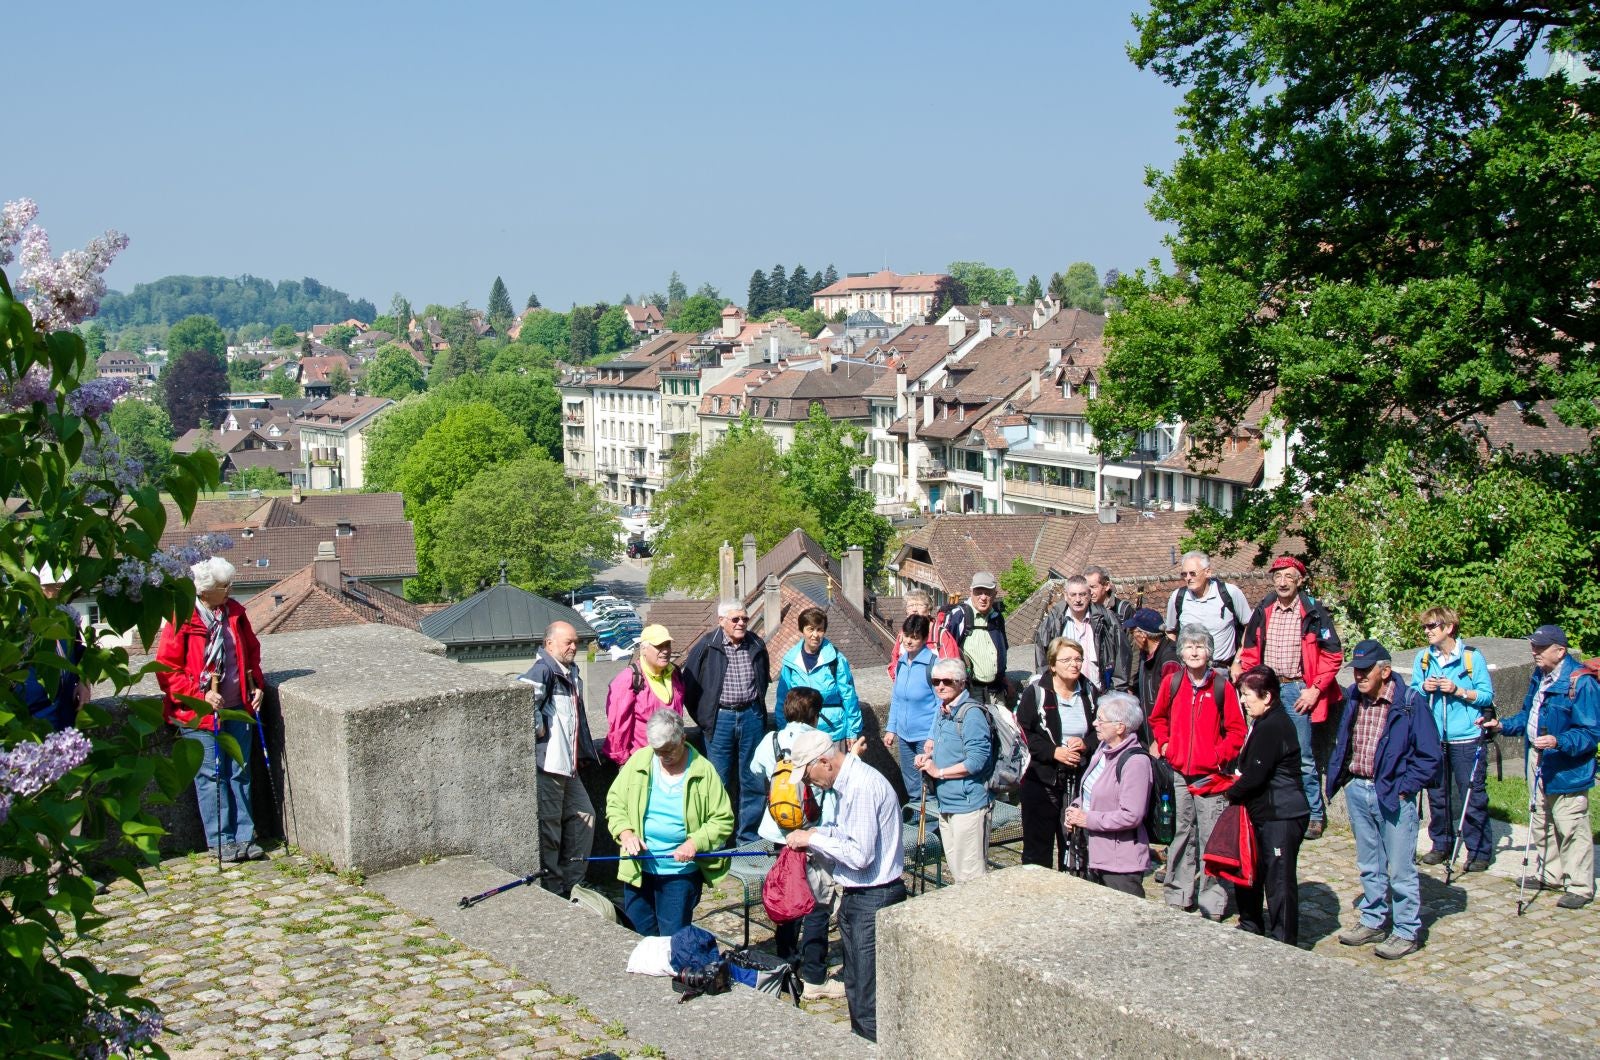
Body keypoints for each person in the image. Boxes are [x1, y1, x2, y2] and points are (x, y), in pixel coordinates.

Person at [785, 729, 906, 1042]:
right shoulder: (845, 784)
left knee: (868, 998)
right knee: (855, 986)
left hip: (874, 897)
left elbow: (860, 855)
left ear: (824, 762)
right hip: (858, 895)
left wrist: (812, 838)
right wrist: (815, 840)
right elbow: (843, 836)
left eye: (808, 775)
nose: (807, 783)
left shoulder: (861, 786)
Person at [1326, 640, 1441, 959]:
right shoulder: (1354, 698)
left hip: (1392, 792)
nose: (1359, 676)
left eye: (1365, 671)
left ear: (1385, 670)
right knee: (1369, 863)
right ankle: (1373, 919)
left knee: (1400, 868)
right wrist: (1345, 780)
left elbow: (1430, 756)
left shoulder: (1410, 703)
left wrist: (1406, 787)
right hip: (1358, 788)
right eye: (1356, 670)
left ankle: (1406, 930)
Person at [155, 557, 267, 863]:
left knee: (240, 772)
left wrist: (256, 686)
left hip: (237, 707)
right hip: (198, 714)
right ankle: (221, 841)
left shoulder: (234, 613)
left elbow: (250, 652)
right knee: (212, 776)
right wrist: (198, 696)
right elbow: (167, 669)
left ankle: (246, 837)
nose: (230, 589)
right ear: (204, 591)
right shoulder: (182, 618)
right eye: (223, 586)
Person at [1483, 625, 1600, 909]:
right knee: (1540, 817)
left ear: (1559, 651)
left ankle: (1581, 886)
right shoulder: (1540, 675)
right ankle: (1550, 874)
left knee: (1570, 822)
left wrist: (1559, 741)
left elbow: (1591, 732)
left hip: (1566, 764)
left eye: (1540, 647)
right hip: (1537, 757)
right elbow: (1528, 716)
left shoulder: (1581, 682)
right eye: (1533, 646)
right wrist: (1502, 726)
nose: (1534, 652)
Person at [1234, 555, 1343, 840]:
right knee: (1260, 750)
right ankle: (1268, 804)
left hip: (1297, 689)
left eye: (1288, 577)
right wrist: (1250, 682)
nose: (1282, 583)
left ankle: (1314, 814)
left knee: (1304, 756)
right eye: (1278, 577)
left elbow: (1333, 655)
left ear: (1300, 580)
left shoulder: (1313, 611)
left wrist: (1315, 688)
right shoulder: (1265, 608)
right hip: (1266, 689)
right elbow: (1249, 650)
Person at [1148, 624, 1247, 919]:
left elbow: (1236, 731)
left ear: (1210, 653)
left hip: (1210, 776)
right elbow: (1159, 717)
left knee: (1211, 837)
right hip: (1180, 771)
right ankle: (1179, 892)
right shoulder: (1173, 683)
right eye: (1189, 646)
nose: (1194, 652)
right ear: (1181, 652)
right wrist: (1166, 744)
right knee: (1181, 833)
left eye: (1200, 647)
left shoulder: (1221, 686)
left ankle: (1212, 900)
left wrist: (1218, 756)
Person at [749, 688, 841, 1000]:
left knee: (789, 894)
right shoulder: (820, 741)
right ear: (815, 714)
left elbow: (756, 771)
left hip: (779, 832)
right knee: (817, 902)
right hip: (812, 831)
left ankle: (786, 957)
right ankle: (814, 973)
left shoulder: (772, 740)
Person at [607, 710, 733, 936]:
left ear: (683, 739)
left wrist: (695, 843)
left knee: (673, 940)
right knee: (638, 937)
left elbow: (722, 819)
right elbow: (615, 802)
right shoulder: (639, 761)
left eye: (669, 751)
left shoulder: (703, 771)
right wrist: (625, 833)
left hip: (679, 873)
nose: (663, 757)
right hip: (638, 869)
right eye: (658, 752)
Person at [1228, 666, 1311, 945]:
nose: (1243, 700)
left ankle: (1283, 939)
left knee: (1279, 878)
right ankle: (1252, 923)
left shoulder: (1274, 725)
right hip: (1262, 811)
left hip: (1282, 814)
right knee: (1253, 869)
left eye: (1247, 695)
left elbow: (1256, 775)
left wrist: (1230, 793)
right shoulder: (1263, 721)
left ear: (1267, 696)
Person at [1410, 606, 1495, 872]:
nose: (1427, 631)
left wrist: (1458, 690)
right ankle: (1441, 843)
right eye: (1425, 627)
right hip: (1435, 738)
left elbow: (1485, 695)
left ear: (1448, 627)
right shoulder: (1423, 658)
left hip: (1466, 737)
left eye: (1432, 626)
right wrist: (1424, 687)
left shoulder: (1471, 658)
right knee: (1437, 794)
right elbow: (1413, 693)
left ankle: (1479, 849)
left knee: (1472, 794)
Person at [518, 620, 599, 897]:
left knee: (584, 817)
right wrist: (540, 728)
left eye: (575, 642)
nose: (574, 647)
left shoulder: (569, 671)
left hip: (569, 766)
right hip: (549, 765)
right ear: (550, 644)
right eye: (568, 642)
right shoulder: (543, 670)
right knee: (549, 832)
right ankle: (554, 891)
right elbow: (521, 700)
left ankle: (573, 883)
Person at [681, 602, 771, 847]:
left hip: (751, 716)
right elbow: (688, 687)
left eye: (744, 618)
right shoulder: (706, 647)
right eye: (735, 619)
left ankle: (748, 839)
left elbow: (764, 680)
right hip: (720, 720)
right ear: (721, 621)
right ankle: (716, 842)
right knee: (717, 782)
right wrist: (705, 717)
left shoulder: (755, 644)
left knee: (753, 779)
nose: (741, 623)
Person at [1017, 638, 1099, 872]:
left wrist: (1084, 744)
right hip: (1041, 780)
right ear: (1053, 665)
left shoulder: (1090, 692)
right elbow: (1023, 735)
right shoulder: (1037, 694)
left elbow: (1100, 731)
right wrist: (1054, 752)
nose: (1074, 665)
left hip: (1077, 780)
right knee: (1038, 847)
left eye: (1078, 659)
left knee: (1074, 843)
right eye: (1067, 660)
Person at [1064, 692, 1151, 896]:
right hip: (1093, 853)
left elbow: (1132, 815)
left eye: (1101, 720)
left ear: (1120, 727)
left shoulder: (1136, 762)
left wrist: (1087, 819)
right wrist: (1075, 809)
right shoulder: (1103, 749)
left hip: (1120, 862)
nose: (1094, 723)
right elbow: (1090, 791)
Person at [916, 658, 995, 883]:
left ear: (961, 683)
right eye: (935, 681)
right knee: (958, 873)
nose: (940, 686)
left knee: (971, 878)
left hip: (968, 805)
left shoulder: (971, 715)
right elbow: (951, 749)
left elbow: (975, 762)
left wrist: (938, 772)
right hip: (947, 803)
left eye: (946, 681)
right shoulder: (944, 711)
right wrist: (929, 758)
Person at [18, 563, 90, 732]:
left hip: (65, 713)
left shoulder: (64, 616)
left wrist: (84, 681)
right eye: (52, 587)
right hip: (32, 715)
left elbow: (81, 654)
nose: (58, 592)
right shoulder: (18, 619)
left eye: (61, 587)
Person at [775, 608, 863, 744]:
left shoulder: (836, 659)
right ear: (802, 630)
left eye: (820, 629)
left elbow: (849, 696)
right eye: (810, 629)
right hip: (800, 733)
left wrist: (852, 731)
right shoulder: (791, 661)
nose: (815, 635)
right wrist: (783, 729)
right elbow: (782, 699)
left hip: (832, 732)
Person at [603, 624, 685, 766]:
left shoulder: (675, 673)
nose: (665, 651)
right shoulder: (628, 679)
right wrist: (625, 762)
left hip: (674, 757)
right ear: (644, 649)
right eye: (659, 646)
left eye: (668, 645)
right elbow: (619, 726)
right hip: (644, 760)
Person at [1033, 575, 1131, 693]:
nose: (1078, 599)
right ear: (1065, 596)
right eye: (1073, 594)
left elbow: (1122, 654)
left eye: (1082, 594)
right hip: (1065, 693)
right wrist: (1048, 689)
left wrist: (1117, 690)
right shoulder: (1053, 623)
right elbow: (1042, 658)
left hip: (1100, 691)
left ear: (1089, 594)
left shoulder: (1106, 620)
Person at [883, 614, 940, 812]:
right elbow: (898, 697)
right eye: (906, 635)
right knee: (912, 785)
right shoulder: (901, 662)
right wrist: (891, 728)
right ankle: (918, 825)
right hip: (905, 735)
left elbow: (941, 704)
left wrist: (932, 736)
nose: (908, 640)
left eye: (915, 637)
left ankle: (932, 830)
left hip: (925, 735)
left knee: (929, 785)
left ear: (925, 639)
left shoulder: (933, 665)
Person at [1165, 551, 1252, 669]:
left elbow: (1250, 626)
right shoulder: (1178, 597)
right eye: (1184, 574)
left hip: (1223, 669)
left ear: (1208, 572)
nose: (1188, 578)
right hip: (1189, 670)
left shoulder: (1230, 593)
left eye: (1192, 573)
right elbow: (1170, 632)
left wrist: (1238, 661)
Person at [943, 572, 1009, 707]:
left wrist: (1004, 680)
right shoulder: (959, 616)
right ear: (971, 592)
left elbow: (1003, 650)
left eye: (988, 593)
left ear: (995, 594)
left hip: (996, 690)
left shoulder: (997, 618)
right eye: (979, 592)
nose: (983, 598)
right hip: (970, 692)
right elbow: (946, 655)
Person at [1125, 607, 1178, 732]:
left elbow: (1173, 704)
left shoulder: (1170, 661)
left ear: (1143, 636)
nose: (1132, 638)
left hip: (1164, 734)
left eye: (1133, 633)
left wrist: (1162, 737)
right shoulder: (1147, 655)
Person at [900, 590, 958, 661]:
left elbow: (951, 667)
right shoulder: (903, 633)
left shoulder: (941, 635)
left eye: (919, 605)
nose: (914, 609)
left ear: (929, 609)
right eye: (910, 606)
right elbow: (895, 661)